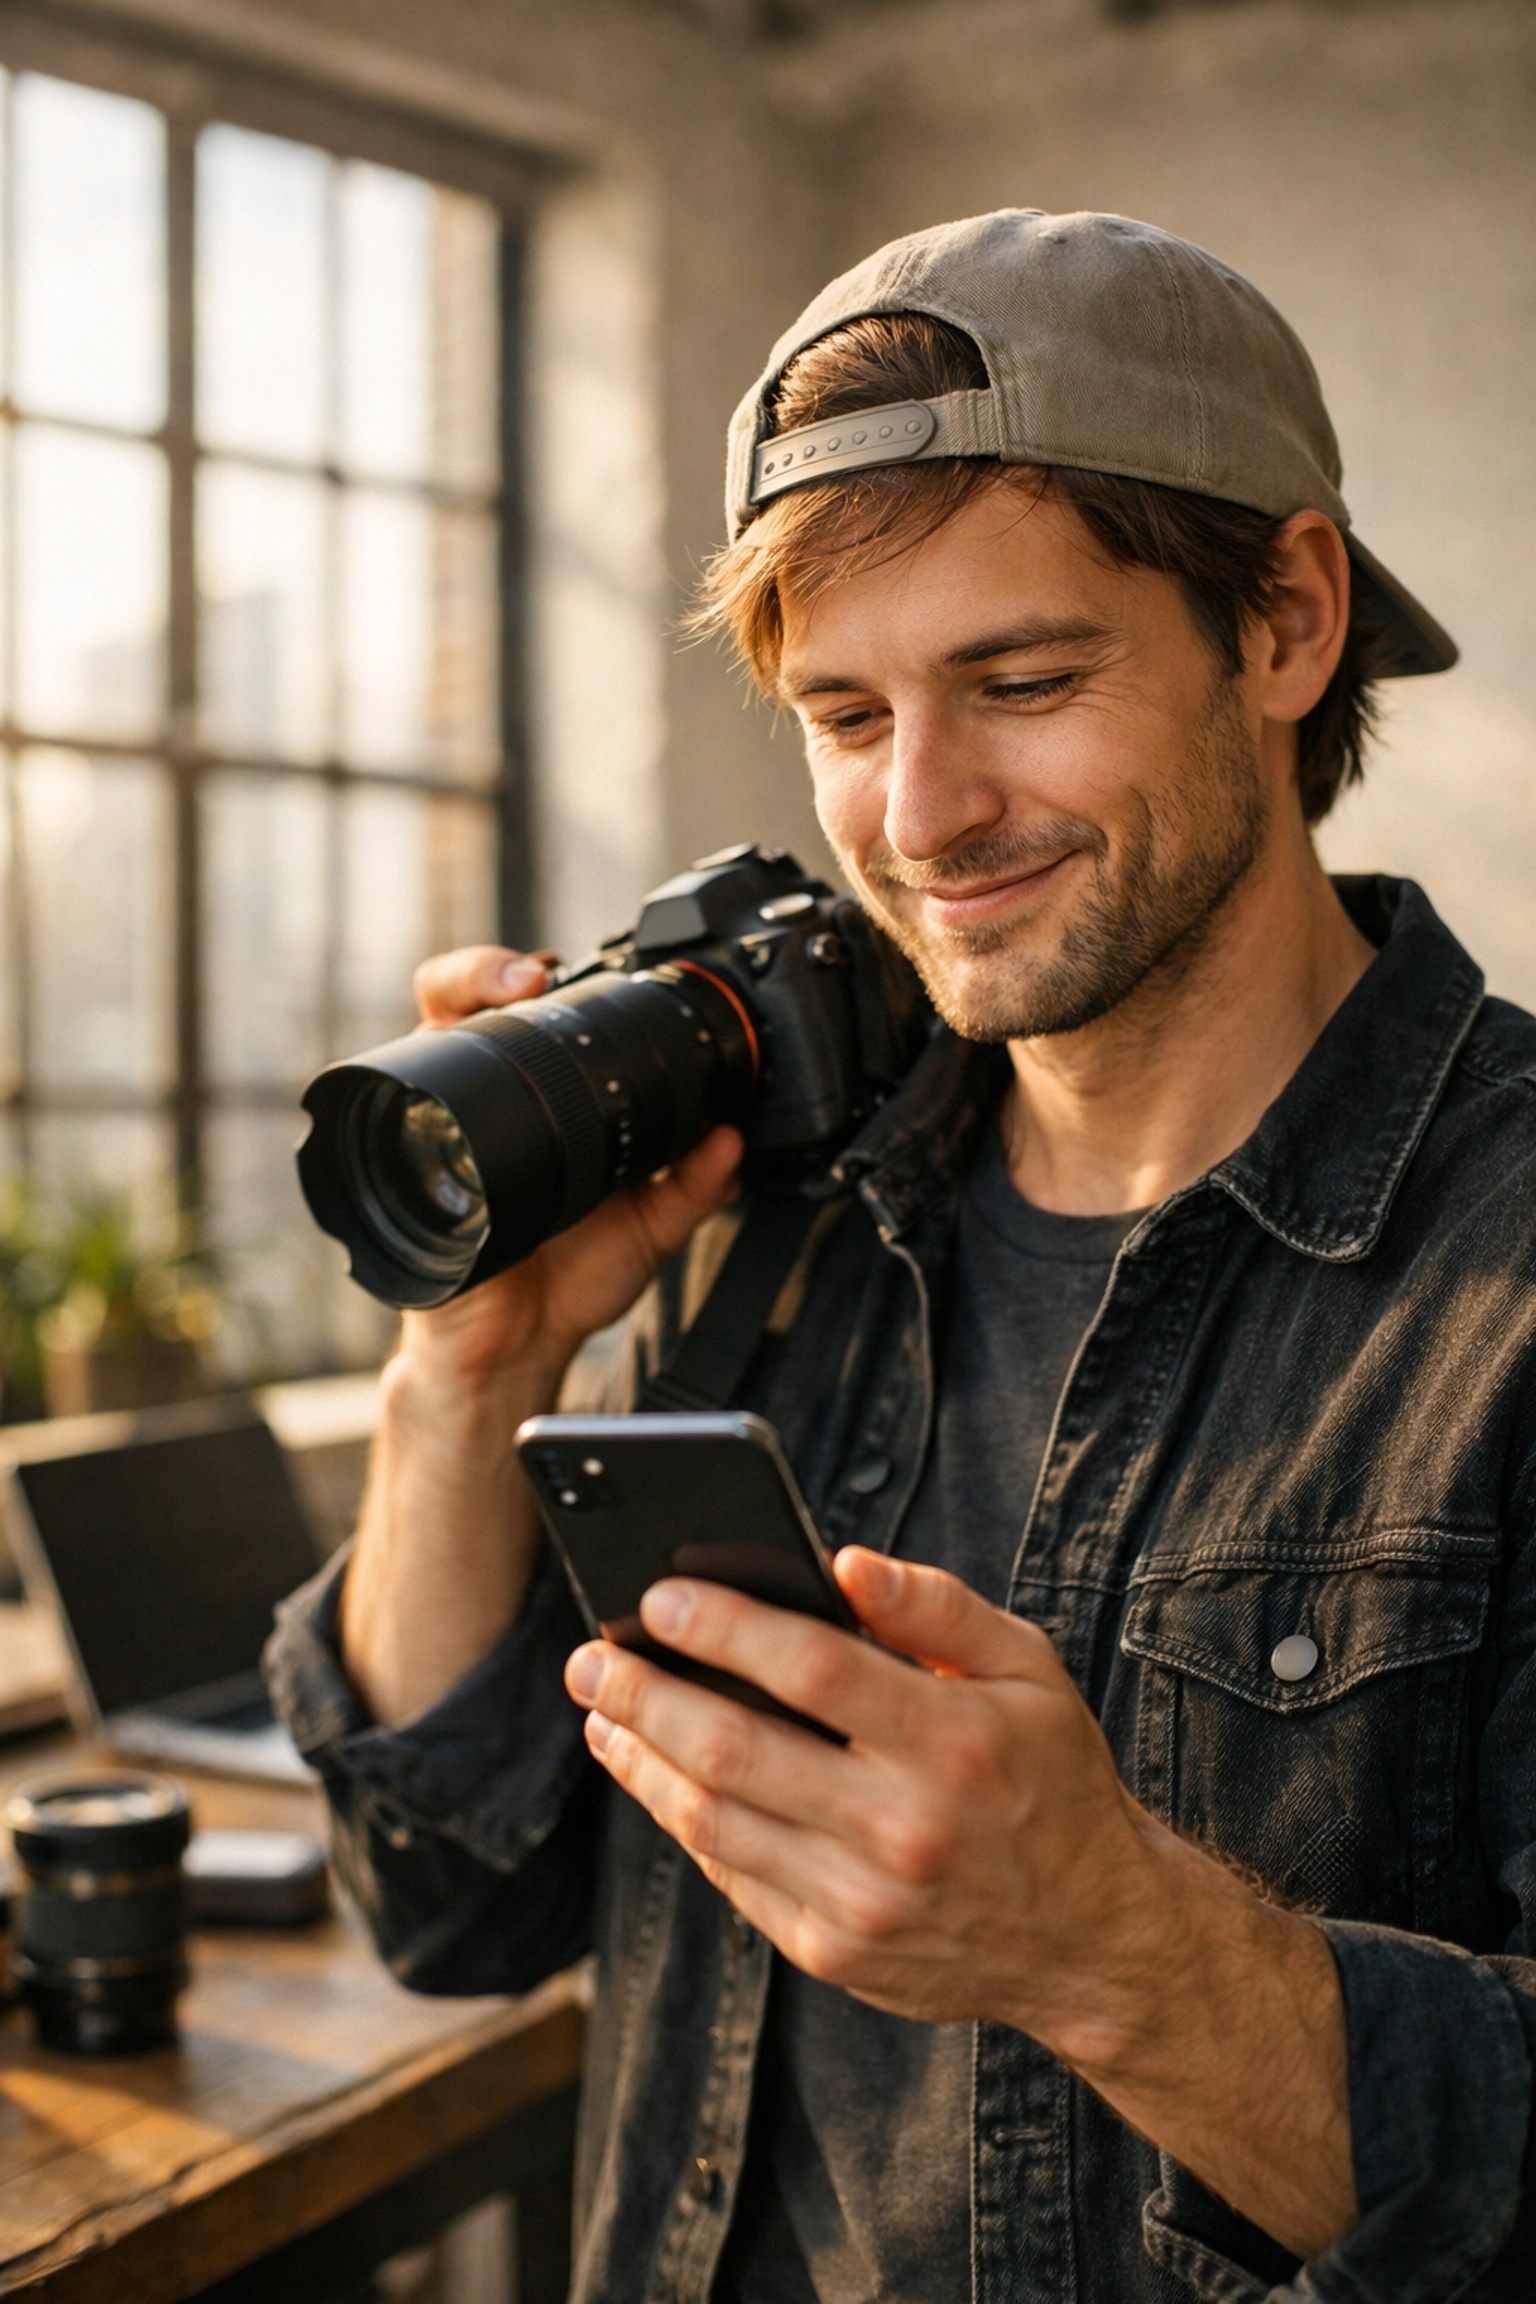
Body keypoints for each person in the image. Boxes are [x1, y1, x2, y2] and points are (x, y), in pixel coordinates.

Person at [268, 210, 1536, 2302]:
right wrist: (469, 1375)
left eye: (1021, 682)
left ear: (1289, 619)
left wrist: (1113, 1950)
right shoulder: (785, 1220)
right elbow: (449, 1906)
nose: (923, 815)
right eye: (845, 717)